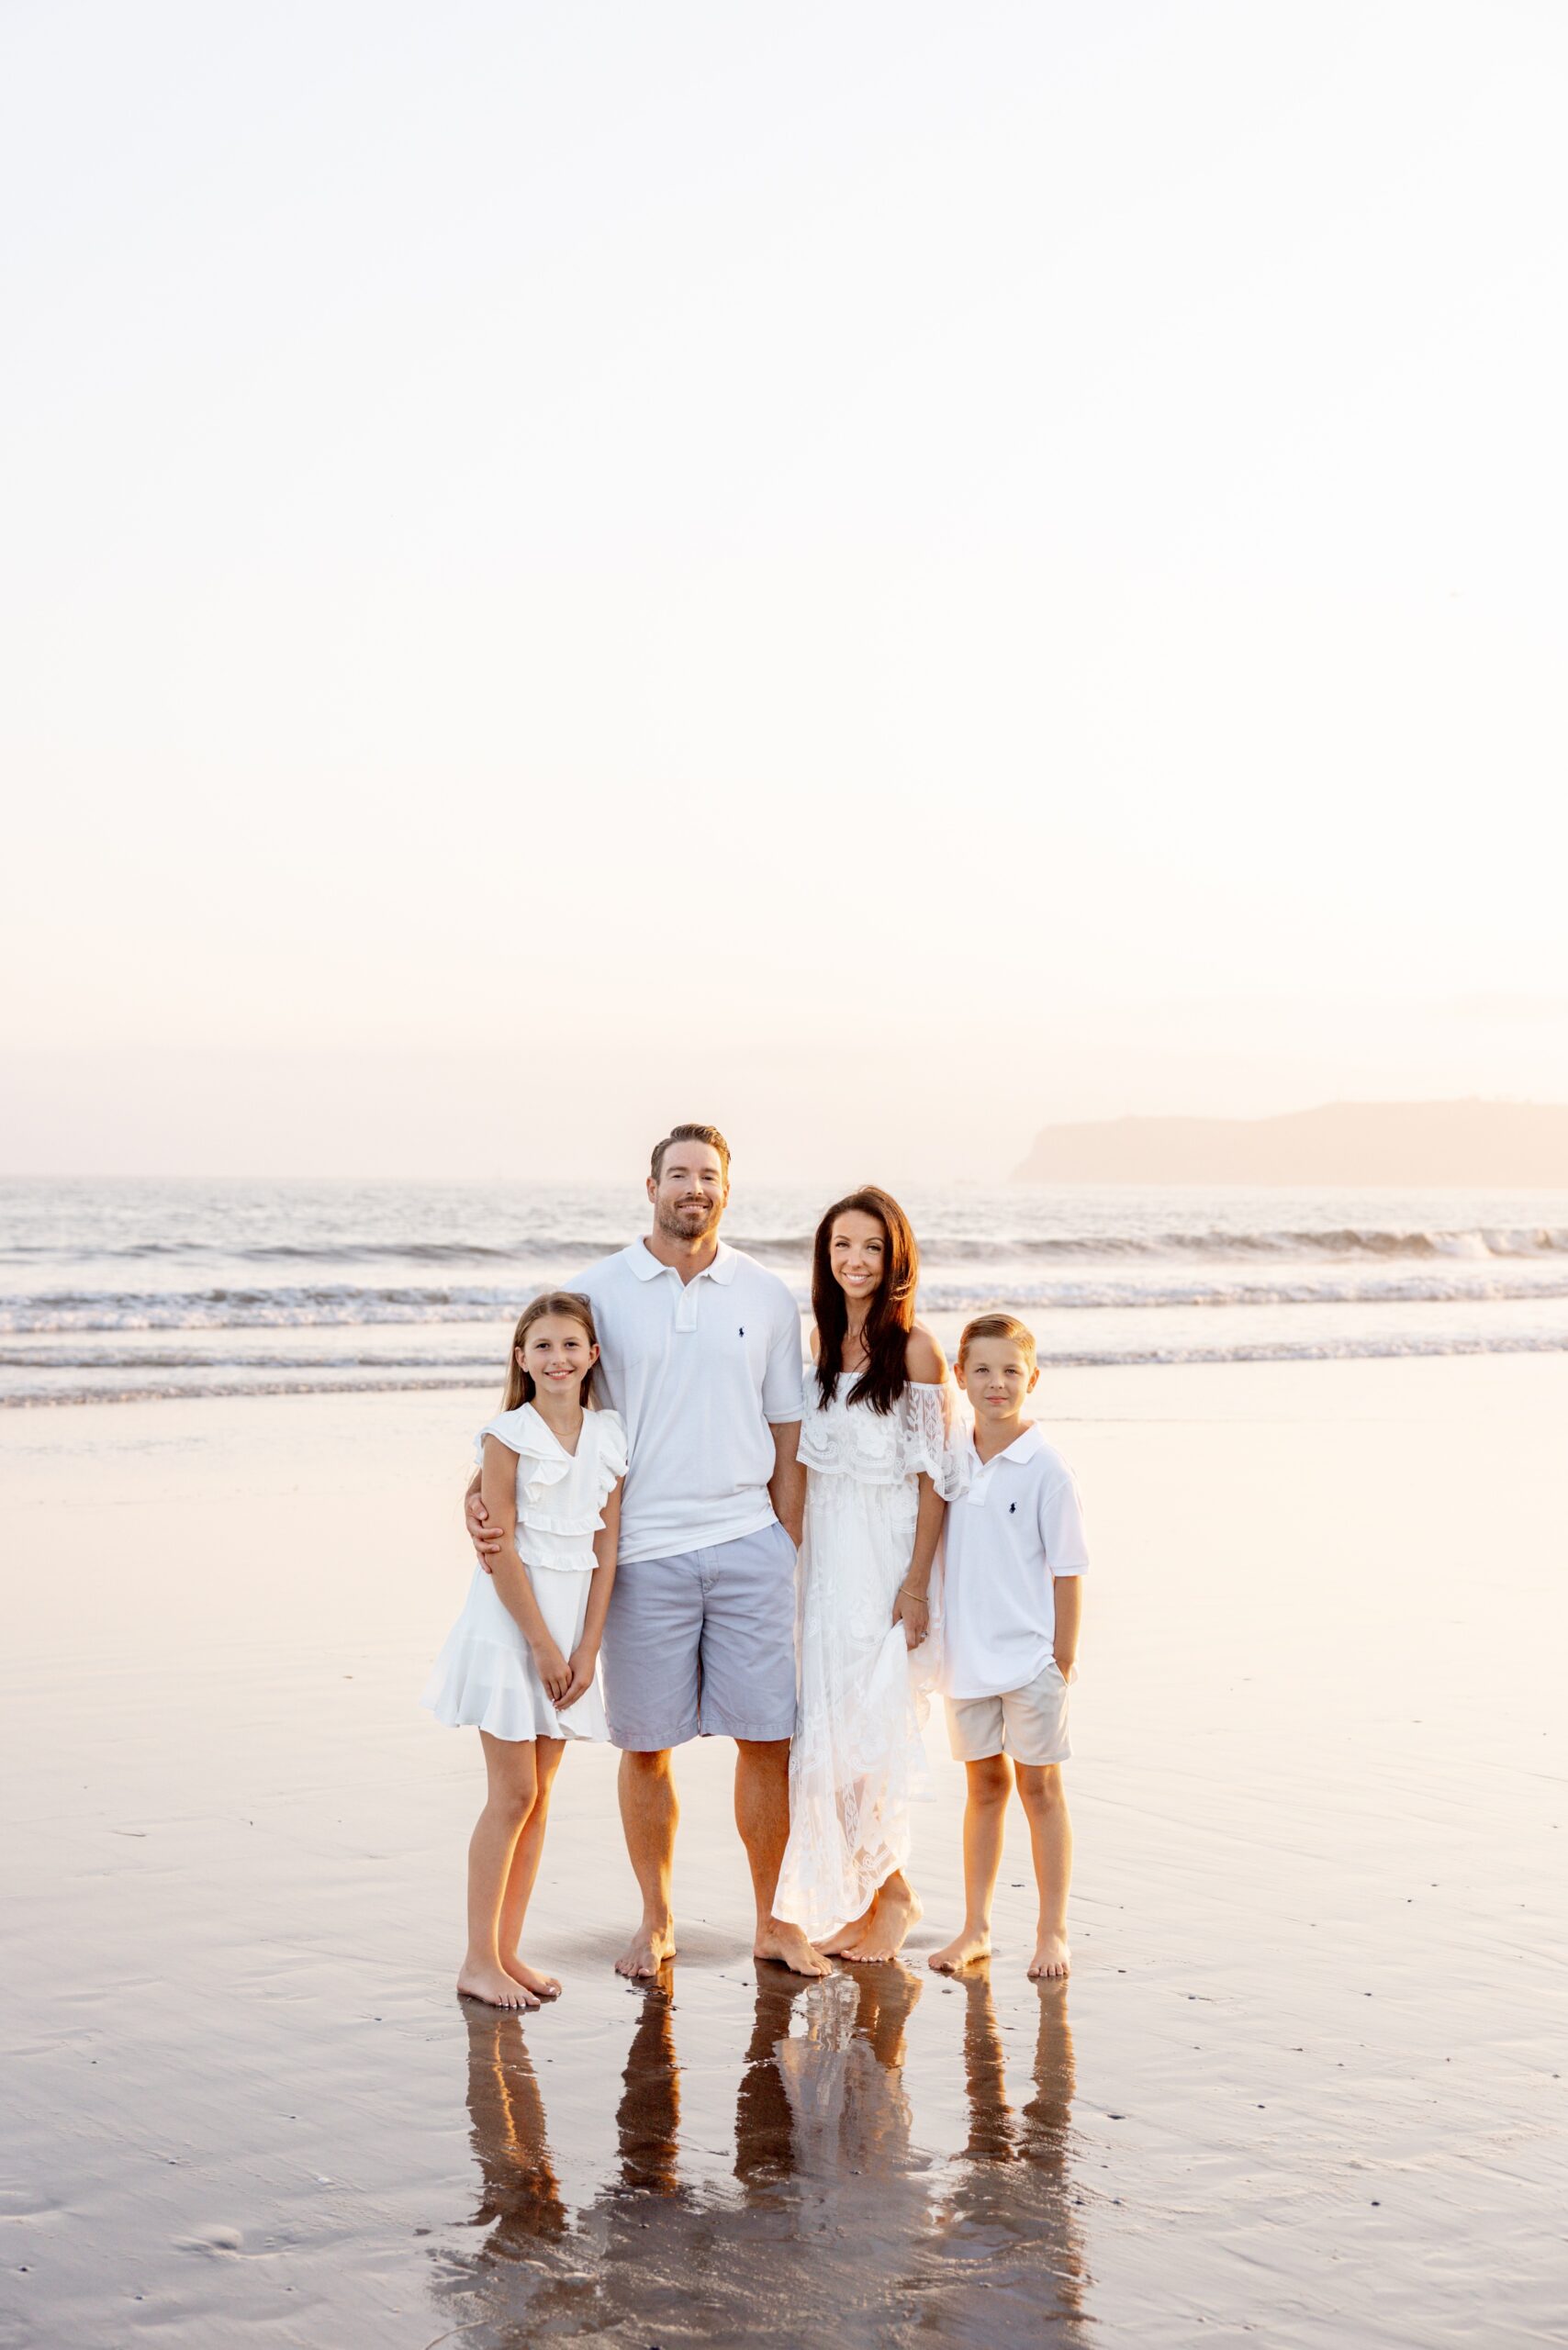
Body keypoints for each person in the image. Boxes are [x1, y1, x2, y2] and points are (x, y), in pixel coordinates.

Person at [465, 1124, 828, 1981]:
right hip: (640, 1557)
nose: (692, 1188)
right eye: (678, 1175)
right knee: (648, 1748)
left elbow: (788, 1440)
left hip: (750, 1546)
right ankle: (656, 1919)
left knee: (768, 1740)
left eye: (708, 1176)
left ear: (727, 1190)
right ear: (652, 1184)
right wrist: (477, 1494)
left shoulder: (768, 1298)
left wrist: (791, 1547)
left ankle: (775, 1922)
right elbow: (539, 1405)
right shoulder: (598, 1294)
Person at [773, 1187, 965, 1960]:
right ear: (826, 1255)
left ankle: (895, 1899)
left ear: (896, 1260)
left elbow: (936, 1477)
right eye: (843, 1245)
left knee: (871, 1730)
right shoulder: (817, 1346)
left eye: (872, 1248)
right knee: (830, 1731)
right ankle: (876, 1894)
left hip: (887, 1556)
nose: (856, 1260)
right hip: (827, 1559)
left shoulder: (916, 1348)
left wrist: (916, 1584)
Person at [424, 1291, 625, 2009]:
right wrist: (542, 1644)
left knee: (539, 1800)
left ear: (592, 1355)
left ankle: (508, 1951)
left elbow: (608, 1547)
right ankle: (477, 1958)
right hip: (512, 1631)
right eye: (542, 1346)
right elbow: (498, 1548)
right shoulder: (507, 1437)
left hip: (571, 1637)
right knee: (511, 1793)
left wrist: (588, 1645)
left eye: (571, 1345)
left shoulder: (609, 1436)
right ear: (521, 1359)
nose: (558, 1358)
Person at [927, 1314, 1088, 1982]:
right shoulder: (949, 1455)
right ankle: (976, 1927)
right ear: (959, 1376)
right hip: (966, 1657)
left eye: (1012, 1371)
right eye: (983, 1370)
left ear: (1034, 1379)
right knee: (984, 1787)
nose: (997, 1384)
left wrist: (1062, 1656)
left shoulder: (1045, 1467)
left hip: (1030, 1660)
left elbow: (1069, 1568)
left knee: (1040, 1789)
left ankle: (1053, 1930)